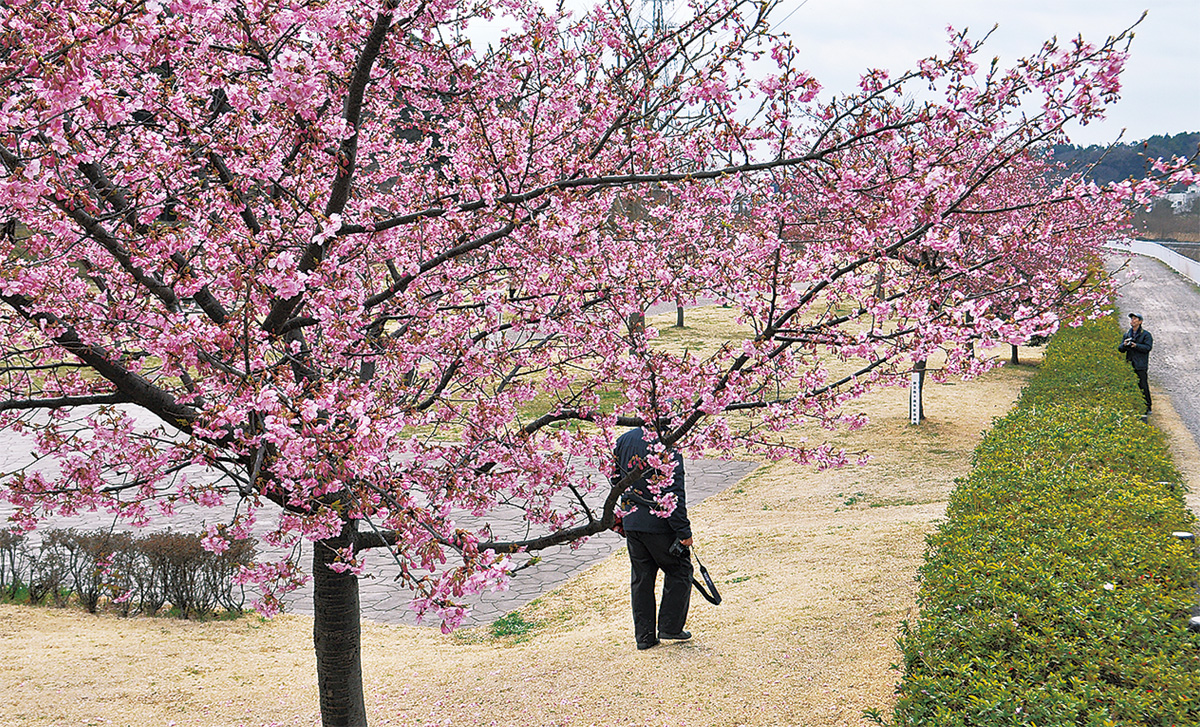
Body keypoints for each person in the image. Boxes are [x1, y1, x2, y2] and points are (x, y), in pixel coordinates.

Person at [611, 426, 694, 651]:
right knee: (680, 570)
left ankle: (644, 637)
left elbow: (615, 480)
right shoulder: (669, 447)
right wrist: (684, 531)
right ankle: (670, 626)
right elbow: (675, 494)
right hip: (659, 524)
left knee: (641, 578)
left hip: (632, 521)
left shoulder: (623, 440)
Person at [1118, 312, 1153, 415]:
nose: (1133, 321)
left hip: (1140, 364)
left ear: (1140, 322)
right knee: (1129, 384)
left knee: (1143, 385)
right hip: (1130, 363)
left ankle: (1148, 406)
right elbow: (1120, 349)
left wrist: (1136, 345)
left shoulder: (1146, 335)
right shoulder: (1127, 334)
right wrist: (1124, 345)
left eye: (1135, 319)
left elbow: (1148, 348)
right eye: (1132, 319)